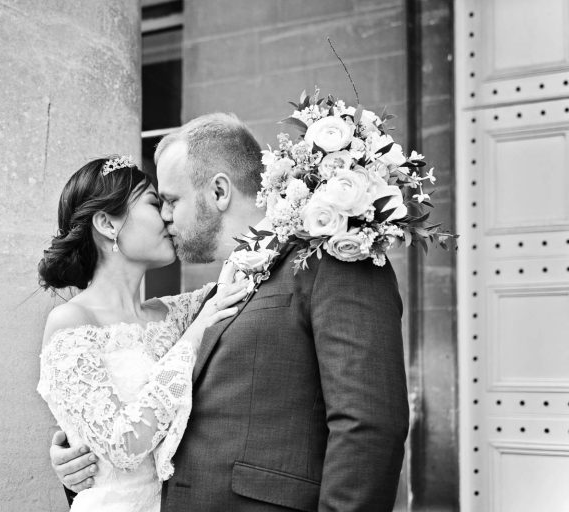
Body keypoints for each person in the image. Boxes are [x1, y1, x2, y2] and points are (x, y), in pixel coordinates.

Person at [51, 114, 409, 511]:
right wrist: (81, 457)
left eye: (170, 200)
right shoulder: (210, 300)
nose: (166, 217)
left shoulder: (329, 260)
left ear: (219, 191)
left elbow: (369, 427)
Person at [36, 156, 250, 512]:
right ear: (107, 223)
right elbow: (122, 447)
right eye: (154, 202)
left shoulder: (178, 313)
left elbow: (245, 272)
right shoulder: (71, 321)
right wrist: (190, 342)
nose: (168, 216)